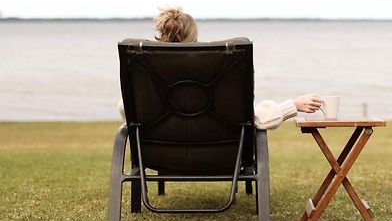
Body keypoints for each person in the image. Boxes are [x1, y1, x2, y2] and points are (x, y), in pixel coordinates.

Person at [118, 7, 323, 129]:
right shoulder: (214, 70)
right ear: (194, 37)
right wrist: (293, 105)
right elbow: (252, 119)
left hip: (161, 155)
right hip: (221, 156)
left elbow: (124, 108)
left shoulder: (147, 75)